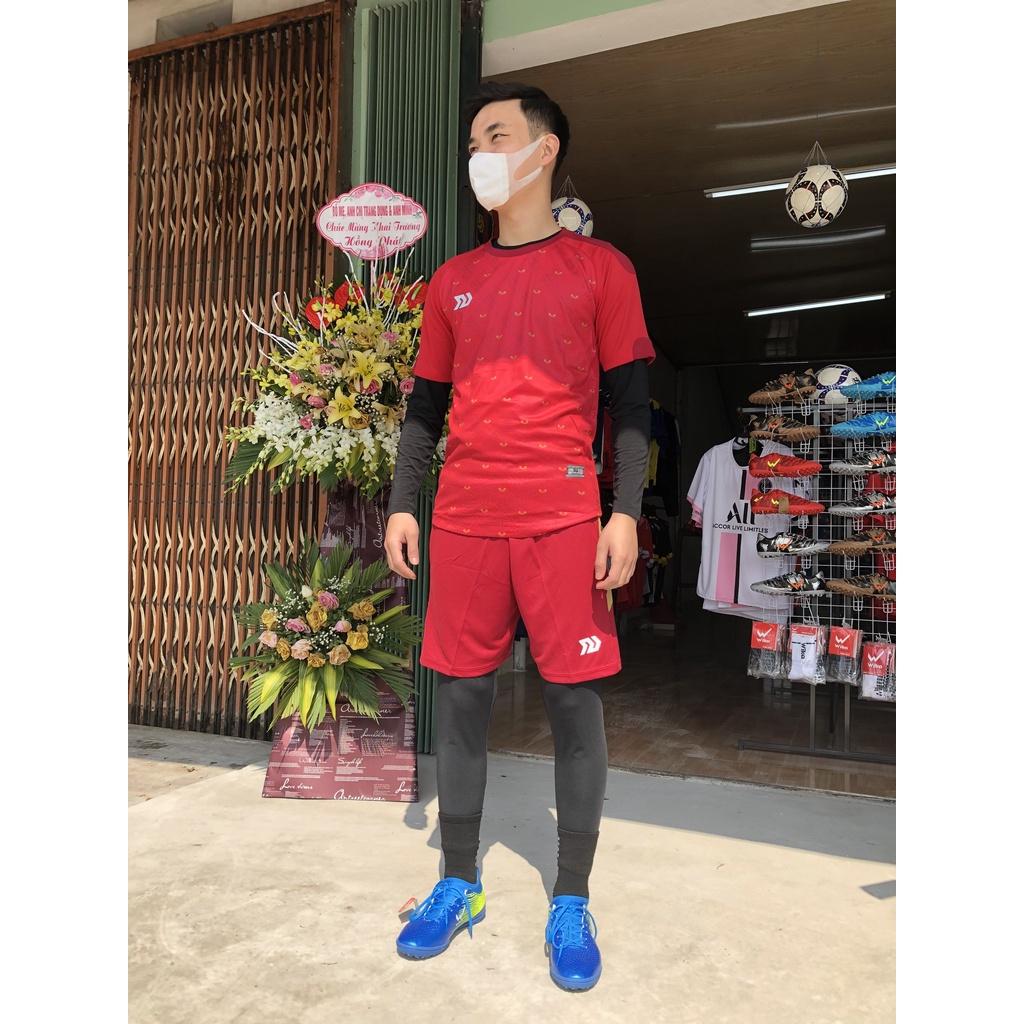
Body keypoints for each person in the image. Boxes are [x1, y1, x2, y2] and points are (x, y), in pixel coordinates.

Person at [384, 81, 656, 992]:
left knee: (575, 706)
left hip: (564, 519)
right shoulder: (452, 282)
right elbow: (425, 409)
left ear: (544, 150)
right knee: (460, 702)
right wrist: (403, 502)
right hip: (465, 518)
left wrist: (625, 511)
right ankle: (459, 880)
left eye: (494, 136)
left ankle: (570, 896)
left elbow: (631, 405)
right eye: (472, 142)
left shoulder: (601, 270)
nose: (479, 155)